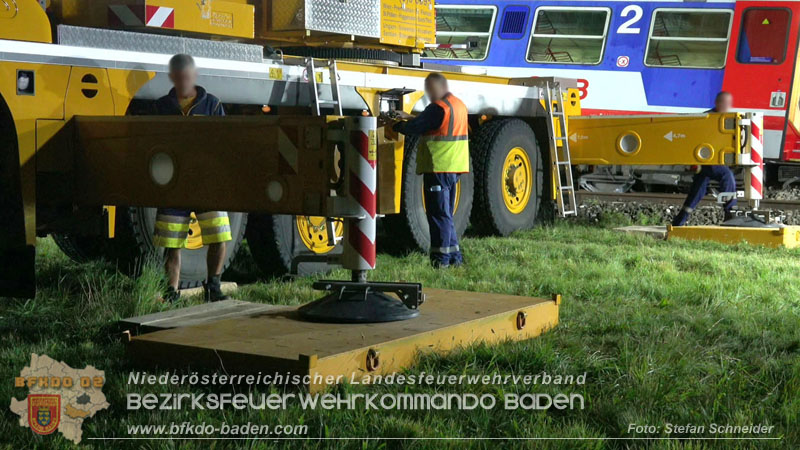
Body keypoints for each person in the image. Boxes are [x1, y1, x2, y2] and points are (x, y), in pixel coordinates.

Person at [153, 54, 232, 302]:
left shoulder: (213, 105)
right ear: (172, 78)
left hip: (206, 184)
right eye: (179, 78)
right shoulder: (161, 108)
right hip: (174, 185)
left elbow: (226, 143)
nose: (183, 82)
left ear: (194, 76)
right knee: (172, 243)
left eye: (187, 77)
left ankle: (214, 287)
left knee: (219, 236)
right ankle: (171, 292)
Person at [392, 73, 470, 268]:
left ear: (438, 88)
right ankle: (454, 258)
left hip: (439, 167)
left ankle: (441, 260)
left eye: (430, 89)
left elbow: (417, 127)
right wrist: (409, 116)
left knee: (438, 215)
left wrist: (395, 124)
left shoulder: (438, 108)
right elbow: (433, 122)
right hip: (453, 167)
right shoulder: (457, 104)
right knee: (445, 214)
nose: (428, 93)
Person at [671, 91, 737, 226]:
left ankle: (679, 221)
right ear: (717, 103)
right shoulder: (707, 118)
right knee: (726, 175)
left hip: (707, 161)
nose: (727, 106)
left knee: (697, 190)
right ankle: (730, 213)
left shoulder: (724, 118)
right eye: (724, 103)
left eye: (729, 104)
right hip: (706, 160)